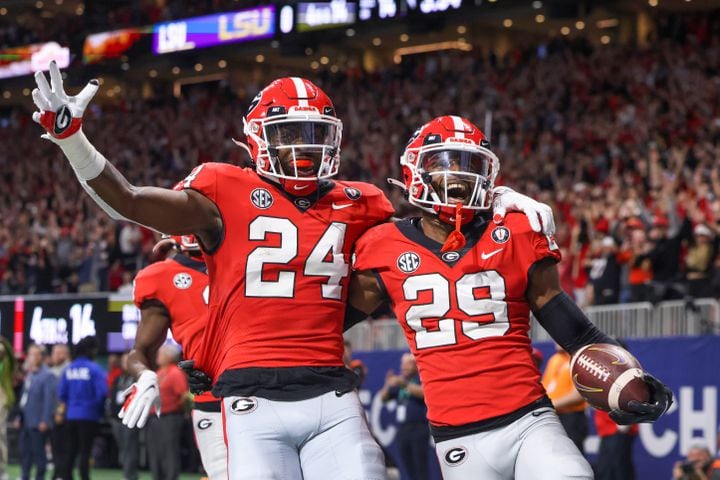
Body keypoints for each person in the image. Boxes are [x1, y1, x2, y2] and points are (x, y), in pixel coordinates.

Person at [32, 63, 553, 479]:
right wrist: (71, 139)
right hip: (250, 398)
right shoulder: (223, 188)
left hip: (331, 391)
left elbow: (439, 226)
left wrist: (495, 199)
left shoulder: (362, 201)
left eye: (313, 132)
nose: (303, 145)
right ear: (258, 137)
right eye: (289, 132)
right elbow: (129, 201)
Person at [348, 116, 674, 479]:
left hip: (529, 420)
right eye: (445, 164)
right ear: (414, 170)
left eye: (470, 165)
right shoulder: (381, 246)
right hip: (457, 437)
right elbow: (324, 319)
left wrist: (634, 375)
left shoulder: (516, 231)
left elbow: (577, 334)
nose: (458, 176)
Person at [119, 234, 226, 479]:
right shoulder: (161, 277)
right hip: (214, 401)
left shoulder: (249, 257)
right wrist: (145, 375)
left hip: (270, 388)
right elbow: (140, 351)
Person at [57, 336, 107, 480]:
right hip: (89, 416)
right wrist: (98, 409)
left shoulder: (68, 369)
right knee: (85, 451)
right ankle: (84, 477)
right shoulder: (95, 369)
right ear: (92, 350)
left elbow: (62, 394)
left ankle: (66, 477)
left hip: (71, 415)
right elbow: (102, 393)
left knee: (70, 451)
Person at [379, 353, 430, 480]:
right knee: (406, 467)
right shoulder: (400, 382)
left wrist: (403, 383)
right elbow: (383, 398)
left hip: (418, 428)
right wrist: (388, 383)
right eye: (403, 364)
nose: (404, 367)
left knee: (420, 467)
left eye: (408, 364)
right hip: (402, 429)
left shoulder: (418, 379)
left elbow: (423, 393)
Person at [145, 344, 188, 480]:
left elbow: (184, 395)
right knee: (155, 451)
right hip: (154, 417)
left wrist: (175, 408)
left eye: (161, 353)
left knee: (169, 451)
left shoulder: (175, 372)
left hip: (169, 417)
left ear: (170, 356)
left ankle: (170, 477)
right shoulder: (159, 372)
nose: (158, 355)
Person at [18, 344, 56, 480]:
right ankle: (25, 475)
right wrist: (19, 416)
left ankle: (40, 477)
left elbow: (49, 400)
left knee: (39, 454)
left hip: (38, 421)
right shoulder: (30, 374)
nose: (33, 357)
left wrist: (45, 420)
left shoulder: (48, 375)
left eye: (36, 354)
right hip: (26, 420)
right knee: (25, 452)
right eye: (31, 354)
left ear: (42, 357)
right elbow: (24, 397)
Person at [541, 344, 589, 454]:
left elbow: (578, 394)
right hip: (553, 416)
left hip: (571, 417)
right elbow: (545, 387)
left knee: (572, 457)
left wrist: (549, 405)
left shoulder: (580, 360)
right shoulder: (554, 359)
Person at [109, 353, 139, 480]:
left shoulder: (137, 379)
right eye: (123, 361)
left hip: (130, 418)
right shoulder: (118, 378)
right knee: (123, 448)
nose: (125, 364)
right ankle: (127, 473)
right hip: (116, 419)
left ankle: (130, 475)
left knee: (130, 448)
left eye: (128, 361)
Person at [0, 337, 15, 480]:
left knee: (0, 435)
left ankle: (2, 470)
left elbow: (11, 356)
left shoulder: (6, 365)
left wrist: (5, 342)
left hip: (2, 398)